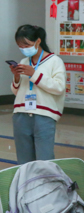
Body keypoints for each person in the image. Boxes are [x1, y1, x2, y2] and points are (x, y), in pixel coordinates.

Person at [10, 25, 66, 164]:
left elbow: (59, 87)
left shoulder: (55, 61)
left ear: (38, 41)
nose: (23, 48)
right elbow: (17, 92)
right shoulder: (24, 62)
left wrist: (34, 74)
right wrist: (16, 77)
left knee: (44, 160)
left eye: (26, 45)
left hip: (44, 115)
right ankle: (26, 179)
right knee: (24, 161)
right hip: (21, 114)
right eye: (20, 46)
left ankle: (46, 180)